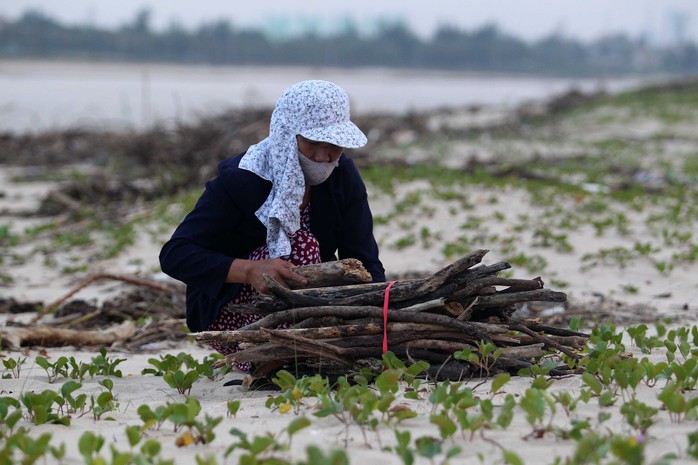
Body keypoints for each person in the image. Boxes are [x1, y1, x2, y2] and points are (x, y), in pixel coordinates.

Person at [159, 80, 385, 362]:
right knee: (300, 245)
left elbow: (364, 261)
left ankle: (307, 346)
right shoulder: (242, 178)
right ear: (288, 136)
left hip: (310, 309)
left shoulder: (342, 176)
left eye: (334, 146)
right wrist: (249, 270)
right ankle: (277, 354)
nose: (323, 156)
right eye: (313, 143)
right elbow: (175, 255)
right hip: (233, 316)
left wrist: (378, 314)